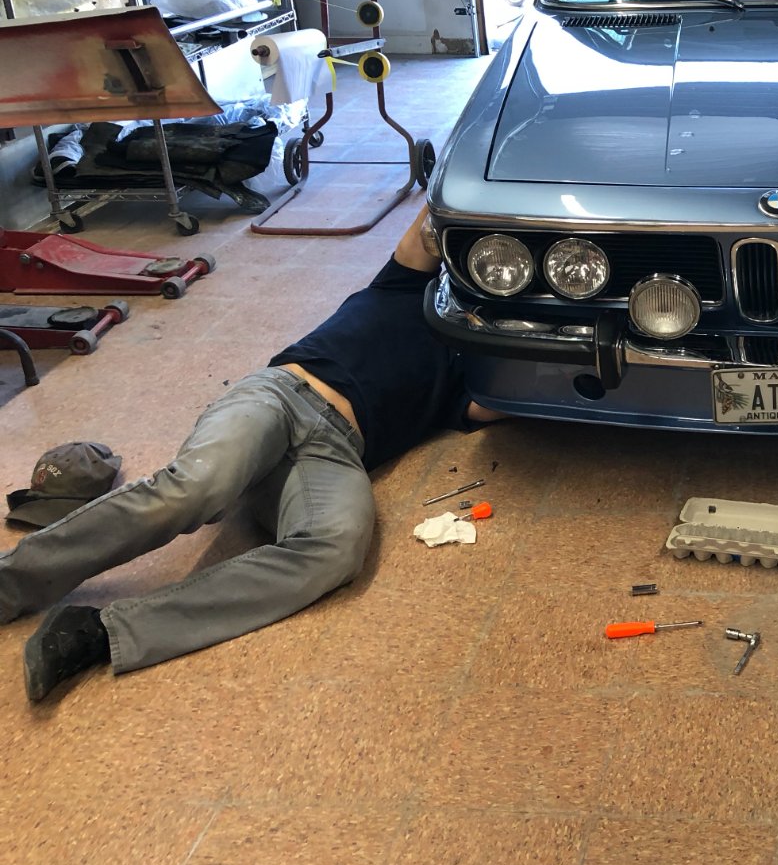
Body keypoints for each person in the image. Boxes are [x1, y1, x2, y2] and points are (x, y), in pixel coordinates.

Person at [0, 206, 500, 702]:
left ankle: (98, 633)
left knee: (336, 548)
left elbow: (513, 403)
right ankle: (10, 584)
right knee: (199, 487)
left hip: (336, 455)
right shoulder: (409, 285)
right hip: (278, 396)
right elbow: (430, 224)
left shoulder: (476, 377)